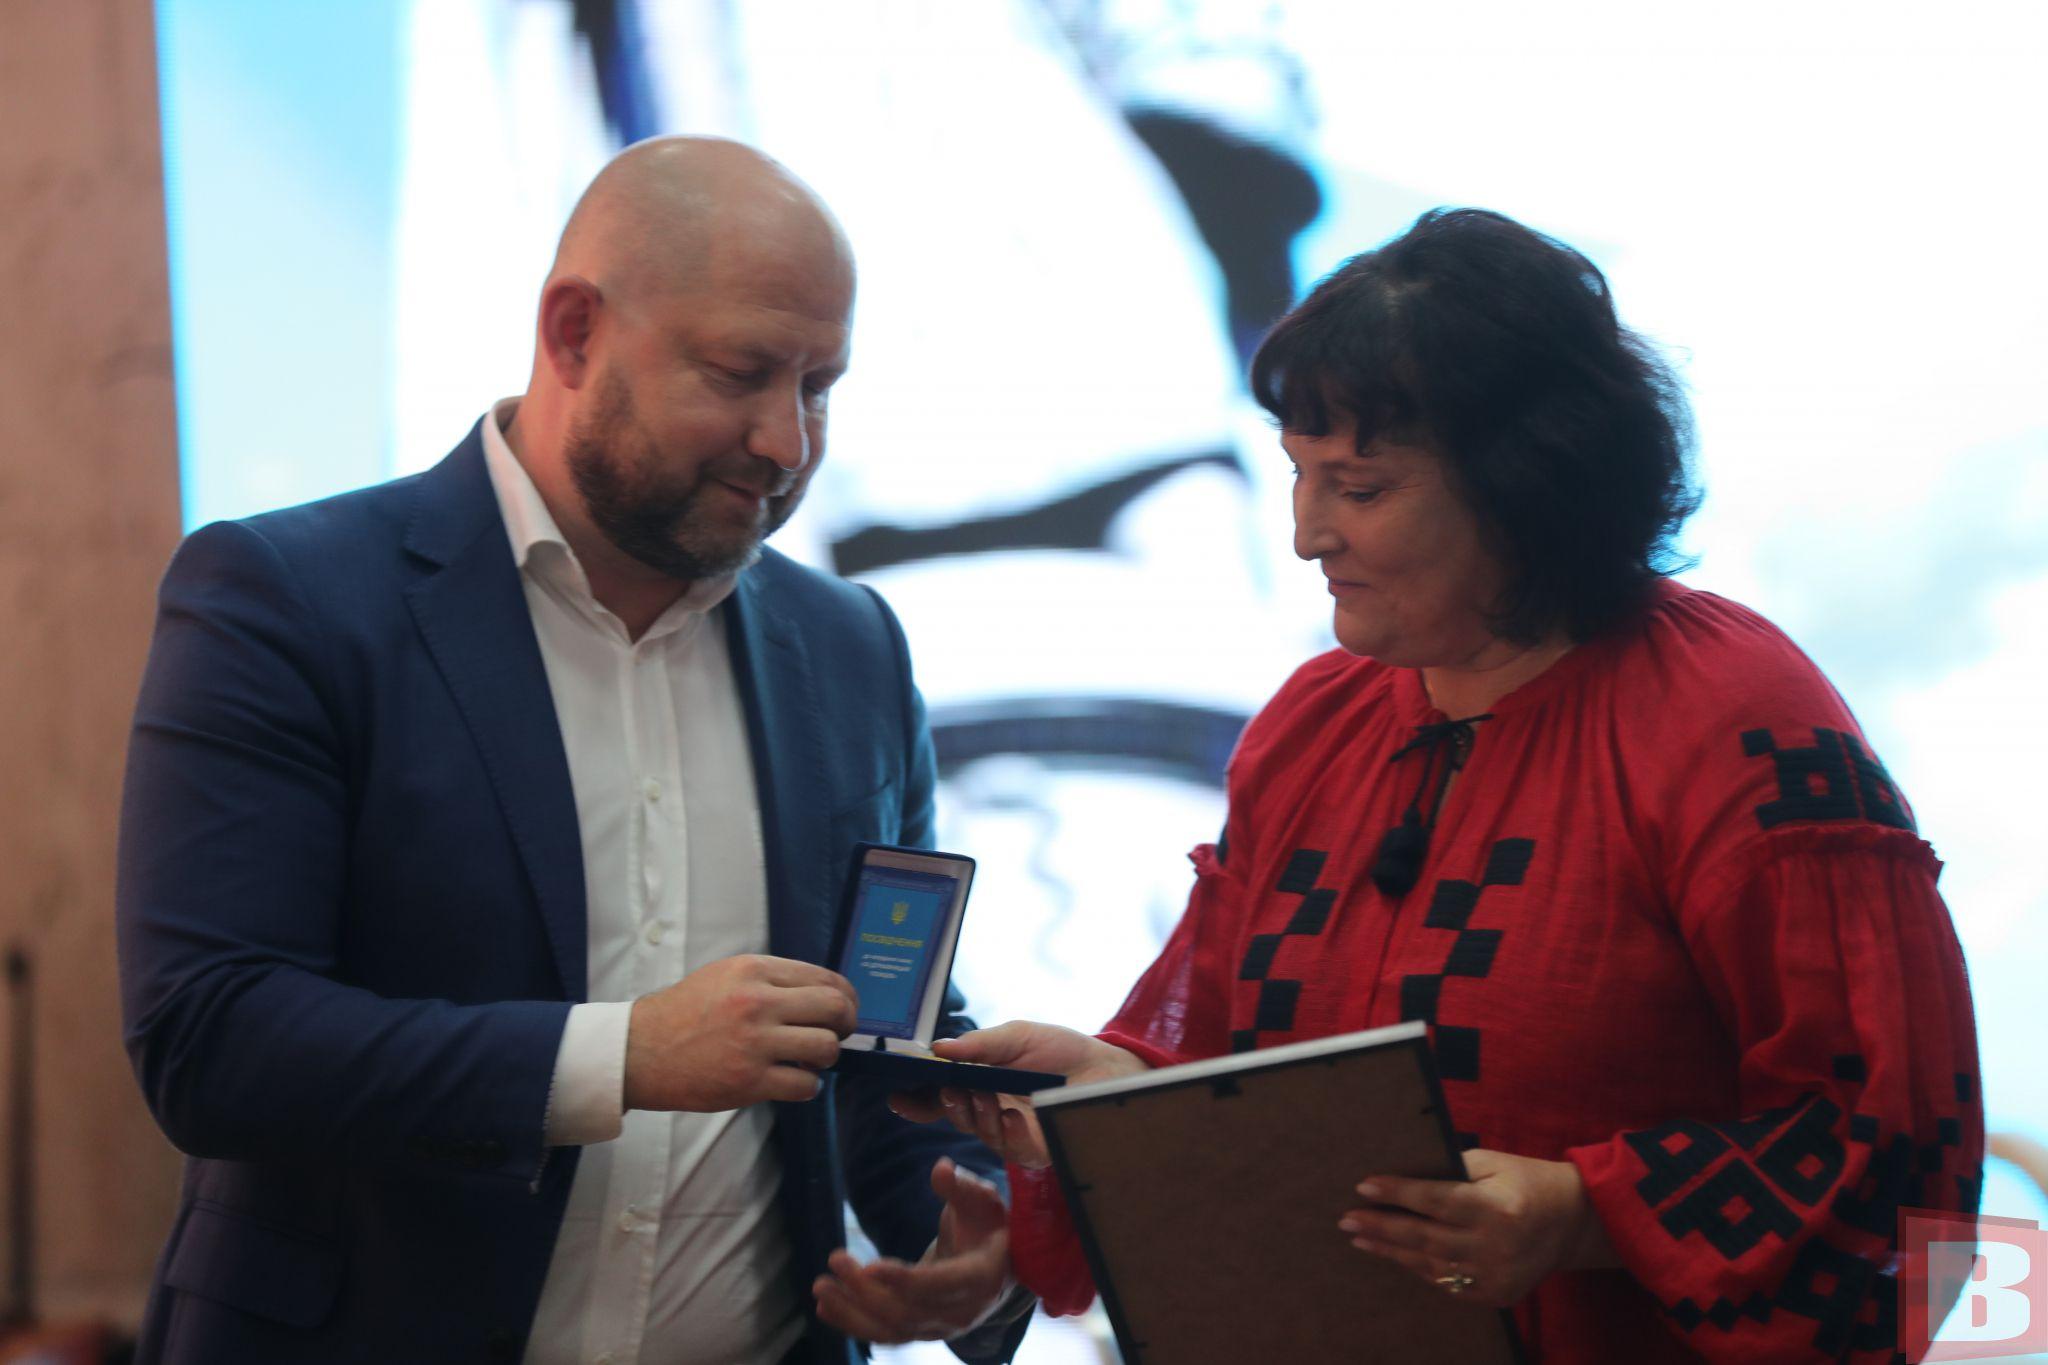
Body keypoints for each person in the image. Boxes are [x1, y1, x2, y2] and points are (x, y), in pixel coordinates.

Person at [909, 208, 1983, 1362]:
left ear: (1525, 487)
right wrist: (1100, 1099)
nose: (1306, 534)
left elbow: (1895, 1162)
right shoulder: (1312, 724)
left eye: (1360, 488)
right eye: (1296, 474)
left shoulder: (1738, 723)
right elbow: (1221, 1069)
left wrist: (1582, 1214)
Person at [117, 137, 1029, 1365]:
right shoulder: (287, 598)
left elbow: (882, 1037)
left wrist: (969, 1242)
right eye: (741, 373)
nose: (785, 441)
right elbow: (211, 1041)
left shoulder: (851, 648)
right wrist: (621, 1055)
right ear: (573, 332)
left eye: (819, 386)